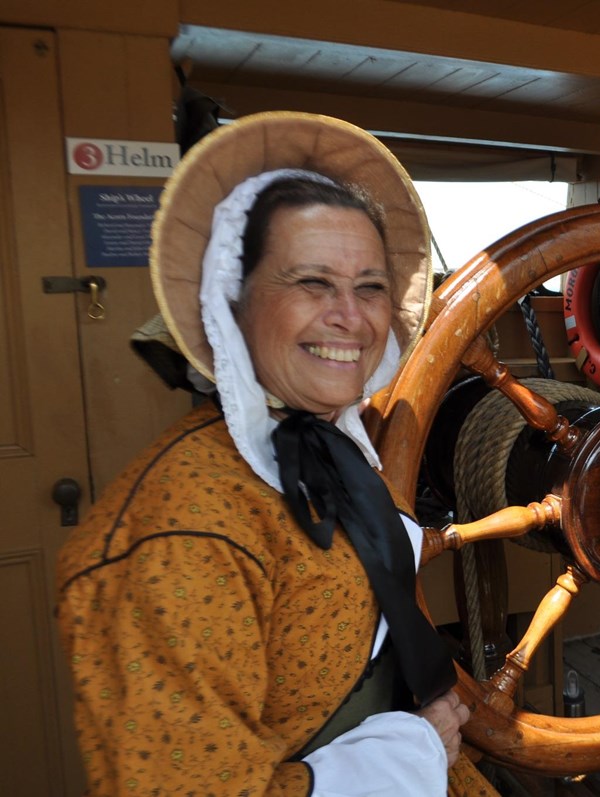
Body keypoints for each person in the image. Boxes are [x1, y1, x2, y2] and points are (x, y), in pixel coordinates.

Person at [56, 112, 496, 796]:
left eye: (370, 285)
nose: (351, 315)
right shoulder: (180, 532)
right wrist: (413, 746)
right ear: (230, 303)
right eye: (312, 281)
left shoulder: (336, 448)